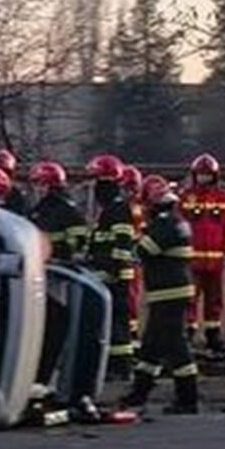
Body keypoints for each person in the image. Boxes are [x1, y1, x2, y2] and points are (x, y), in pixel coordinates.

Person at [121, 176, 199, 415]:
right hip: (167, 292)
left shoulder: (166, 224)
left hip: (169, 293)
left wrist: (135, 237)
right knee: (151, 347)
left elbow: (144, 251)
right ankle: (138, 395)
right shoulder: (176, 221)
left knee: (176, 346)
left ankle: (188, 399)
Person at [181, 152, 225, 357]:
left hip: (216, 261)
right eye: (201, 175)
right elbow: (180, 225)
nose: (204, 179)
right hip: (191, 260)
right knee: (189, 299)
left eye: (207, 175)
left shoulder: (224, 198)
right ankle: (187, 335)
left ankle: (213, 335)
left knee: (214, 300)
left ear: (215, 176)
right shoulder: (186, 197)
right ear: (194, 175)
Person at [86, 153, 138, 375]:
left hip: (115, 275)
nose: (96, 187)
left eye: (99, 181)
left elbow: (122, 242)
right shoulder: (110, 209)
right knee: (114, 320)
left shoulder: (117, 208)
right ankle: (117, 364)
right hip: (107, 272)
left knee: (117, 321)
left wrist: (113, 270)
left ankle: (120, 367)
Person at [27, 161, 89, 261]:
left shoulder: (65, 210)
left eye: (40, 184)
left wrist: (59, 251)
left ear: (50, 185)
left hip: (60, 265)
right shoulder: (39, 209)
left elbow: (79, 241)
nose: (37, 189)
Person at [121, 165, 145, 348]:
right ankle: (131, 333)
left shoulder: (134, 208)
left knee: (131, 297)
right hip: (129, 257)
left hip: (131, 258)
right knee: (129, 297)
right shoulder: (133, 206)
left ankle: (132, 333)